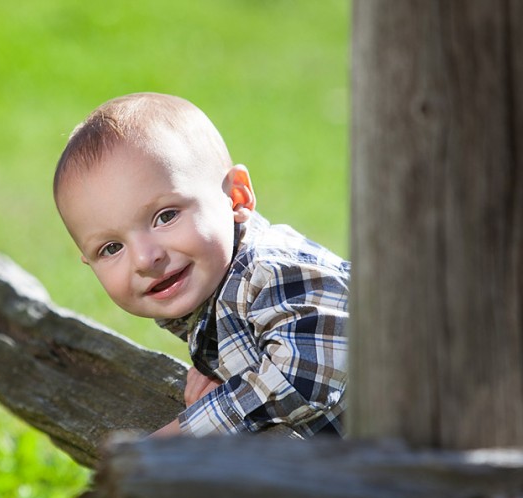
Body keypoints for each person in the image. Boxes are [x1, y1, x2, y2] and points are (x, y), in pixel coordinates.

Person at [53, 92, 349, 438]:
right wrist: (228, 372)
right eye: (112, 247)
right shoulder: (213, 294)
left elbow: (303, 378)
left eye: (165, 216)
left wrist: (183, 435)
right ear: (88, 263)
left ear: (236, 196)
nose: (146, 258)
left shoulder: (273, 272)